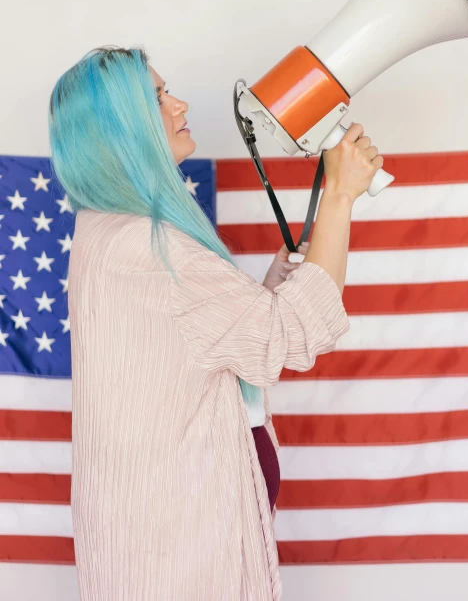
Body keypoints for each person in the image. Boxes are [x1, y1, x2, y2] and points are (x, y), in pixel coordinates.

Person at [48, 46, 384, 601]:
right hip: (185, 545)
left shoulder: (108, 229)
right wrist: (340, 197)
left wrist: (266, 291)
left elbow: (197, 338)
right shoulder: (146, 245)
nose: (180, 105)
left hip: (176, 535)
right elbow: (289, 337)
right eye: (158, 98)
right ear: (121, 127)